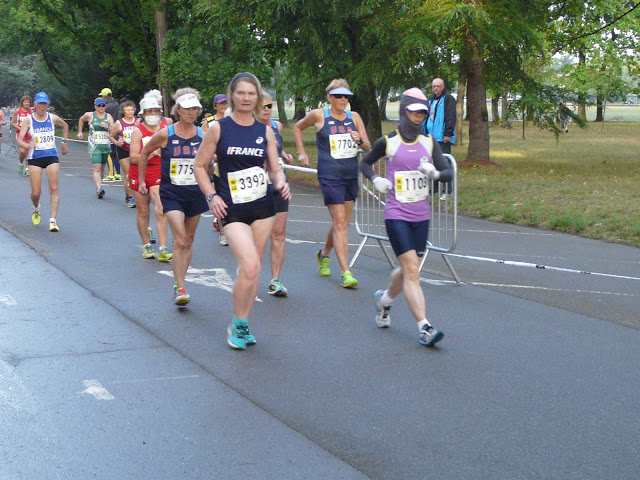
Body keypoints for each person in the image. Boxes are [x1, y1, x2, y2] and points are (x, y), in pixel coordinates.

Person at [194, 72, 290, 350]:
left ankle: (244, 322)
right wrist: (211, 196)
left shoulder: (265, 130)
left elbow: (275, 168)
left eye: (251, 93)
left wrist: (281, 182)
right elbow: (199, 166)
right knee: (249, 265)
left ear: (257, 97)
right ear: (232, 95)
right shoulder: (218, 128)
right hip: (231, 207)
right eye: (241, 93)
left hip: (263, 206)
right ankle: (236, 324)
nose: (247, 98)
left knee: (252, 269)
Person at [360, 88, 452, 347]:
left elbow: (448, 174)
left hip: (421, 215)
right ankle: (425, 328)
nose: (418, 117)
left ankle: (385, 300)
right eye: (413, 111)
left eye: (422, 112)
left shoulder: (429, 143)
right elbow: (365, 163)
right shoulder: (387, 142)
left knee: (408, 269)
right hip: (396, 214)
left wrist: (435, 173)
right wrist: (375, 178)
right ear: (404, 111)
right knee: (412, 271)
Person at [294, 78, 370, 289]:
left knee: (342, 223)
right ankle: (346, 272)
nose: (343, 99)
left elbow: (367, 146)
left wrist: (359, 140)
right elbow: (298, 128)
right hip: (329, 175)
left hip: (349, 174)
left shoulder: (354, 117)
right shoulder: (319, 115)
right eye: (339, 96)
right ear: (329, 97)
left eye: (346, 96)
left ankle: (324, 254)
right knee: (339, 223)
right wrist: (301, 152)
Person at [140, 88, 208, 305]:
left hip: (195, 193)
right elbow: (144, 153)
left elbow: (209, 163)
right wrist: (141, 180)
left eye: (194, 109)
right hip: (171, 192)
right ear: (178, 110)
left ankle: (180, 279)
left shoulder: (202, 136)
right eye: (187, 109)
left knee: (188, 240)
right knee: (179, 239)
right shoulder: (165, 134)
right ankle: (180, 288)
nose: (191, 113)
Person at [16, 92, 69, 232]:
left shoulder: (52, 118)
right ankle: (36, 207)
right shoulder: (29, 120)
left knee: (54, 188)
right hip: (35, 158)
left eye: (45, 103)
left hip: (51, 155)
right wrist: (27, 146)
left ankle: (53, 220)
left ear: (47, 105)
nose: (42, 106)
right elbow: (19, 139)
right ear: (35, 104)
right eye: (40, 103)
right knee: (36, 193)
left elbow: (65, 126)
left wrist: (64, 143)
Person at [258, 93, 294, 296]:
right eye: (262, 106)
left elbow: (276, 149)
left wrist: (284, 156)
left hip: (279, 184)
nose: (267, 109)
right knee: (258, 236)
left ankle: (275, 280)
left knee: (278, 234)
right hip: (256, 186)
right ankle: (249, 273)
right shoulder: (247, 128)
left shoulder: (276, 126)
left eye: (270, 106)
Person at [129, 95, 172, 262]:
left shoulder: (165, 127)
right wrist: (151, 153)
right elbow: (133, 158)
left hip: (158, 172)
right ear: (143, 114)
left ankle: (163, 247)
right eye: (150, 111)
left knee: (160, 208)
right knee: (143, 211)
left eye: (156, 110)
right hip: (139, 172)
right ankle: (147, 245)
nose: (153, 114)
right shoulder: (138, 131)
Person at [201, 93, 229, 245]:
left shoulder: (233, 118)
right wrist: (211, 155)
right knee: (219, 197)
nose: (223, 106)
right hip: (217, 164)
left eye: (226, 103)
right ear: (215, 106)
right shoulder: (210, 122)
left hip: (232, 163)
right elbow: (203, 140)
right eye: (221, 103)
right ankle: (223, 231)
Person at [423, 78, 456, 199]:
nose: (435, 88)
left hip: (442, 137)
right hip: (431, 137)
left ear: (443, 87)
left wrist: (448, 133)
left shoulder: (448, 99)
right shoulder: (431, 100)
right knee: (432, 163)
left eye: (438, 86)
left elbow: (451, 116)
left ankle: (448, 190)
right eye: (433, 86)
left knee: (444, 162)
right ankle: (434, 189)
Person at [77, 97, 115, 198]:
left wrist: (107, 127)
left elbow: (114, 130)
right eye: (99, 105)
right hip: (94, 146)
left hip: (105, 146)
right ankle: (99, 188)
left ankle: (99, 185)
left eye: (103, 105)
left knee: (102, 168)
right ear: (95, 106)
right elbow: (81, 119)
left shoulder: (108, 117)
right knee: (97, 168)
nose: (101, 107)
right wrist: (80, 132)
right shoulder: (90, 115)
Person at [109, 101, 138, 207]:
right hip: (123, 150)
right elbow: (111, 136)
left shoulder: (138, 121)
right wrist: (117, 142)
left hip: (136, 150)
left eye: (132, 109)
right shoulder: (119, 123)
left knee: (137, 173)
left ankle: (129, 193)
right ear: (123, 112)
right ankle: (130, 198)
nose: (130, 112)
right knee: (128, 174)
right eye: (128, 110)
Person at [100, 87, 122, 182]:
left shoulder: (106, 107)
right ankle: (118, 174)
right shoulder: (117, 104)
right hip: (117, 130)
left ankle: (111, 174)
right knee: (115, 154)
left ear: (105, 96)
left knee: (109, 153)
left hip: (109, 131)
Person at [11, 96, 34, 176]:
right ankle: (21, 163)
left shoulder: (31, 112)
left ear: (30, 103)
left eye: (28, 102)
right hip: (20, 134)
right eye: (25, 102)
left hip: (28, 134)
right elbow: (12, 122)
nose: (26, 103)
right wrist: (19, 128)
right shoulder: (18, 111)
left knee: (28, 152)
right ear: (22, 103)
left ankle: (27, 169)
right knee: (22, 151)